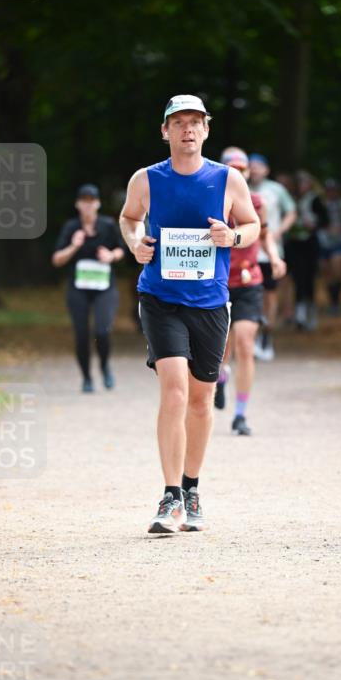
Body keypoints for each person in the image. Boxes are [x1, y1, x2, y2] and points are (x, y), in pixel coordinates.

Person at [119, 95, 260, 534]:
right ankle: (170, 496)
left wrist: (232, 237)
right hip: (160, 298)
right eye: (178, 122)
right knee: (175, 392)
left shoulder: (227, 179)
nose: (187, 130)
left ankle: (191, 487)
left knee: (200, 400)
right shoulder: (146, 179)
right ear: (165, 131)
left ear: (206, 130)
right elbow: (129, 218)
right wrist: (135, 243)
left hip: (210, 303)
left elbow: (252, 225)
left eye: (195, 122)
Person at [215, 147, 286, 435]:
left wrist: (275, 257)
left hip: (249, 282)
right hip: (218, 283)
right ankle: (221, 377)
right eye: (233, 169)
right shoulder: (211, 200)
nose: (239, 173)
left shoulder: (257, 203)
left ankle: (240, 415)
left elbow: (265, 235)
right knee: (221, 349)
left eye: (243, 169)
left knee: (245, 344)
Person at [52, 184, 125, 392]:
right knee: (82, 334)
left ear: (98, 204)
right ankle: (86, 378)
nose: (88, 205)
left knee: (102, 330)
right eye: (84, 201)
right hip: (78, 289)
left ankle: (105, 366)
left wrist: (111, 256)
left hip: (104, 288)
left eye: (91, 201)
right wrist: (74, 246)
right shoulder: (71, 227)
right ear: (77, 204)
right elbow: (56, 259)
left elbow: (122, 250)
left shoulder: (107, 225)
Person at [247, 153, 296, 360]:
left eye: (259, 166)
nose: (255, 169)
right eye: (251, 166)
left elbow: (291, 212)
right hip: (248, 251)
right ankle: (250, 338)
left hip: (270, 252)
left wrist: (279, 231)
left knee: (270, 295)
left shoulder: (276, 190)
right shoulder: (242, 188)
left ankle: (267, 337)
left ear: (266, 170)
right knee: (250, 295)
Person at [285, 171, 328, 331]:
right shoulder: (291, 199)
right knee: (298, 278)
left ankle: (311, 313)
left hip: (310, 244)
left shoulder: (315, 199)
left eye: (304, 182)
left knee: (310, 277)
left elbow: (325, 220)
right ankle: (300, 315)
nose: (301, 186)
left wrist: (314, 225)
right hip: (295, 244)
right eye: (299, 183)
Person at [319, 178, 341, 314]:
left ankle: (336, 301)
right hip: (323, 242)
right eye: (329, 190)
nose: (331, 193)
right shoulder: (320, 205)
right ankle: (332, 301)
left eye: (333, 190)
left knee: (337, 270)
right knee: (327, 273)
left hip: (340, 242)